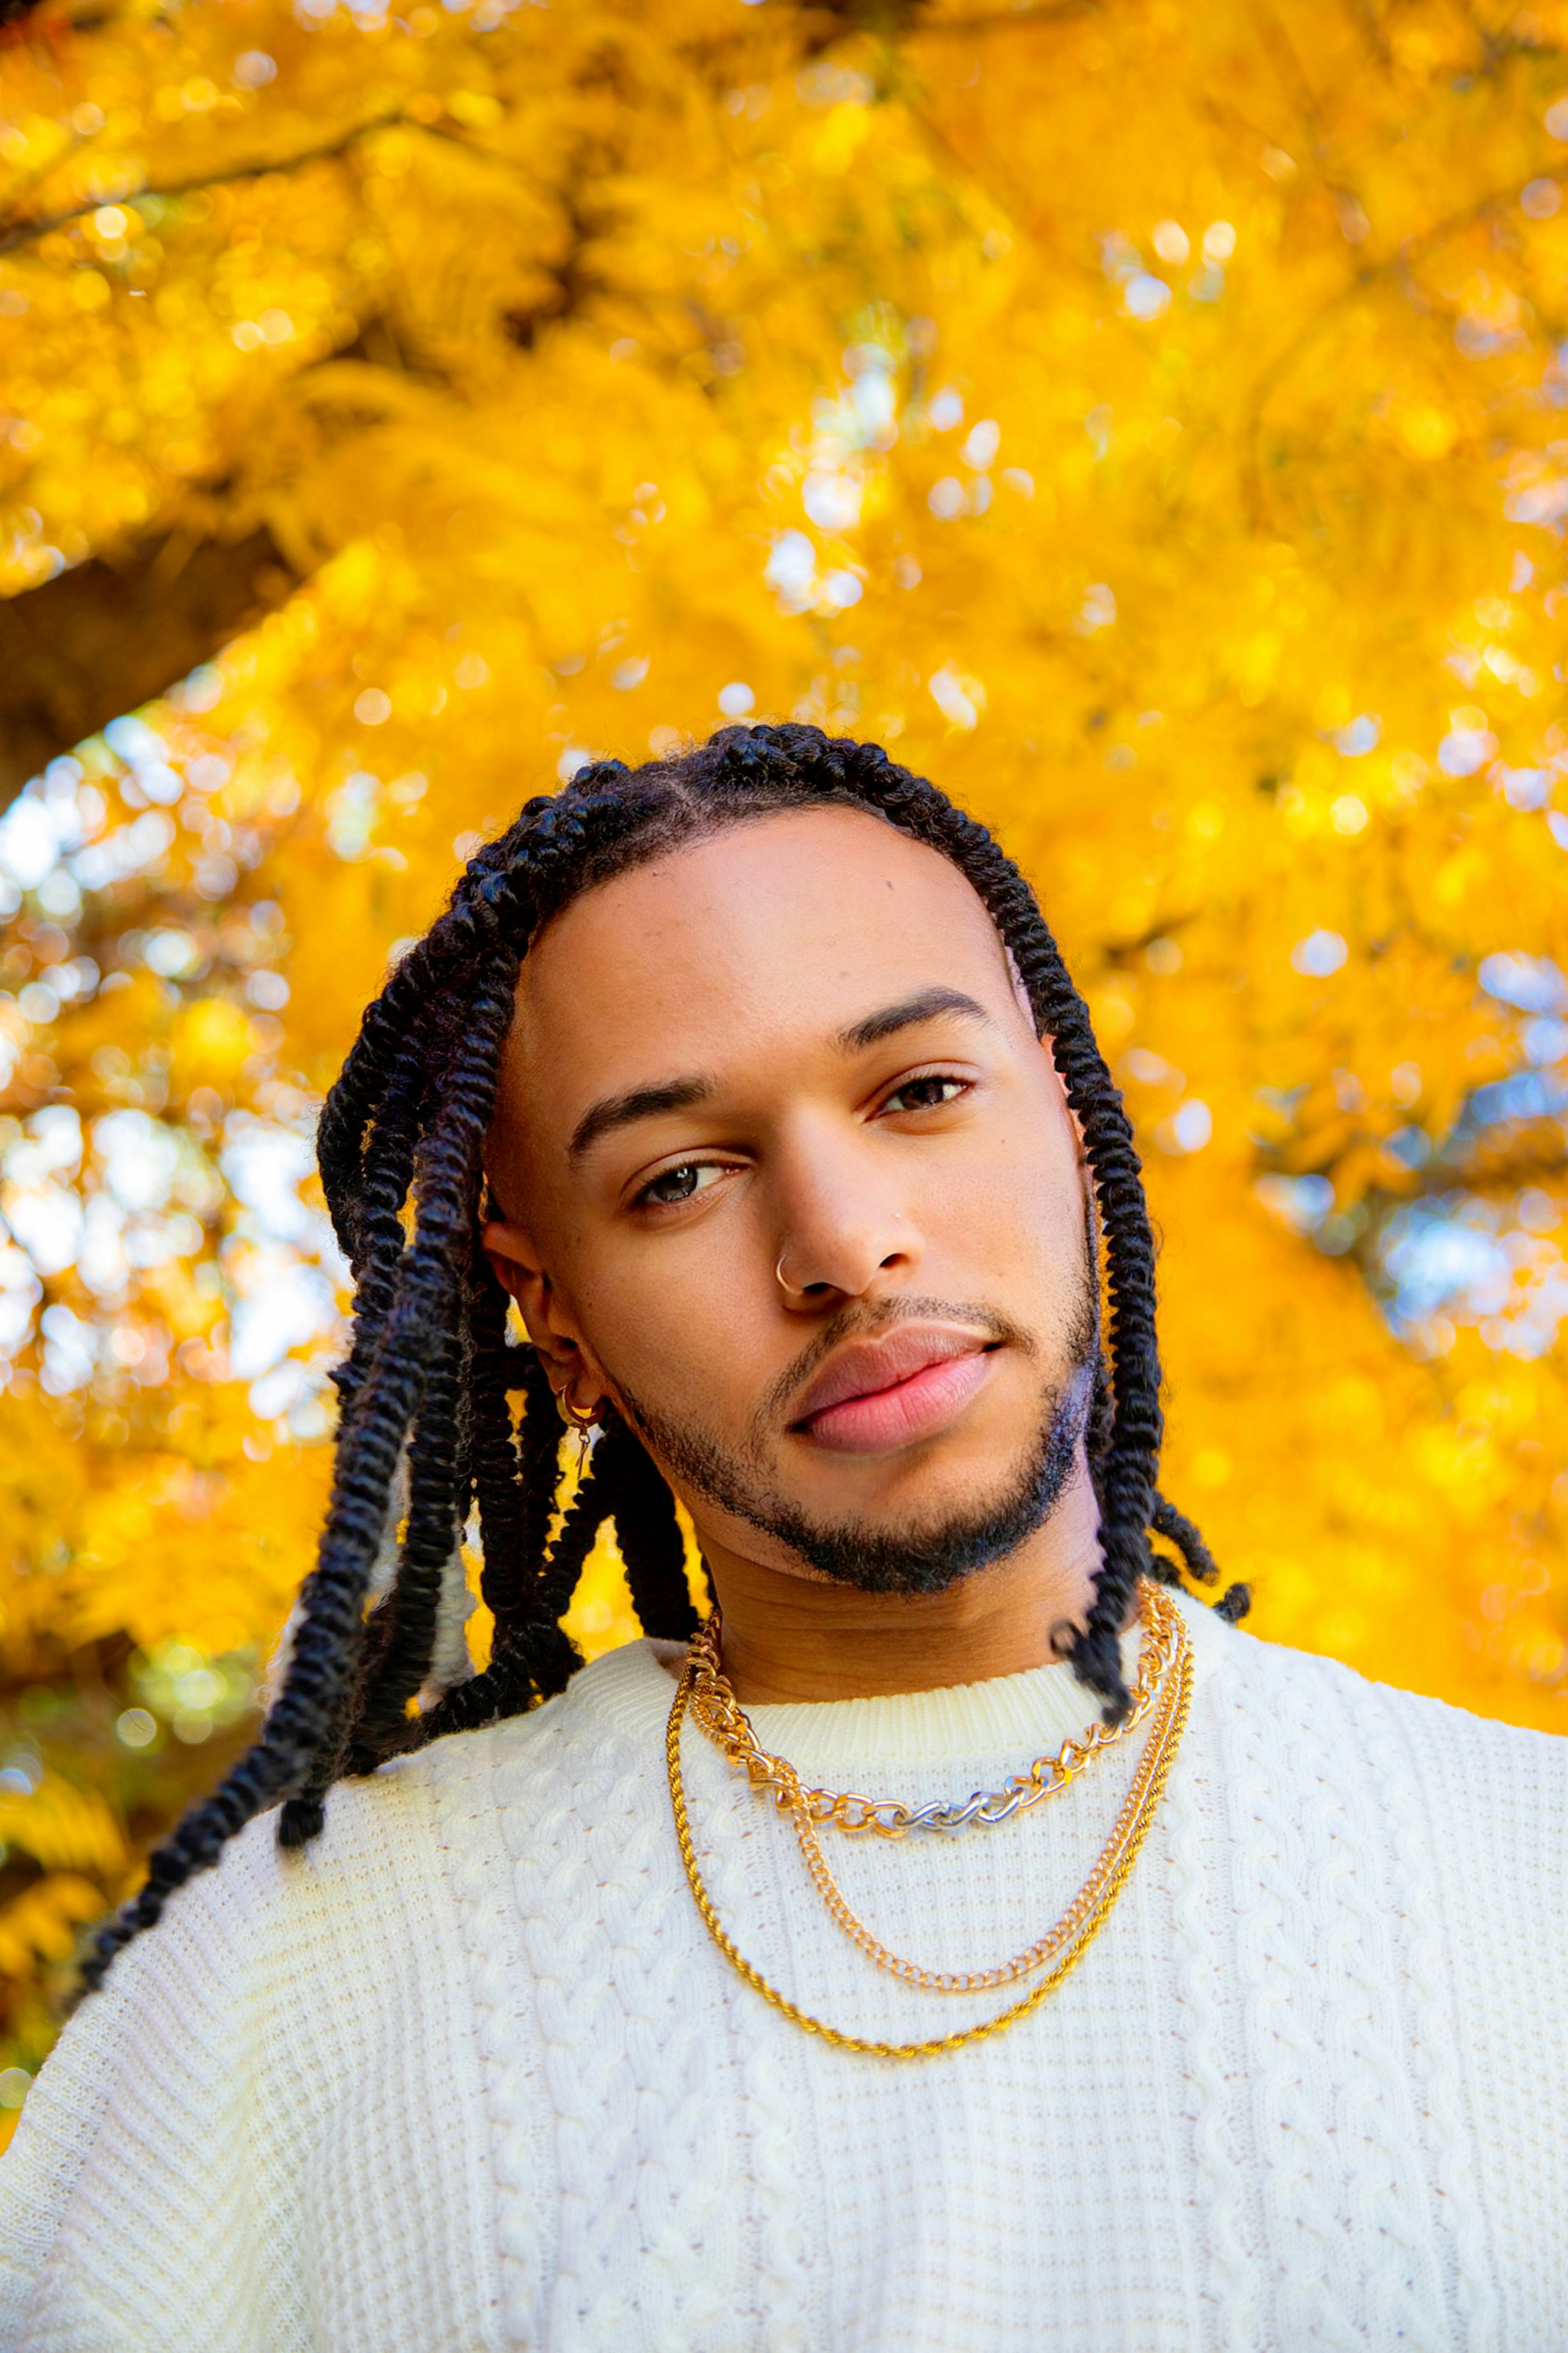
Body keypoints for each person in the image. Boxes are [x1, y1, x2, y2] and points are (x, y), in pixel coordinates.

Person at [1, 724, 1563, 2351]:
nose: (841, 1243)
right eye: (679, 1178)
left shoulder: (1531, 1874)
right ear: (555, 1319)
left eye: (922, 1092)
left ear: (1068, 1121)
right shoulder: (282, 1985)